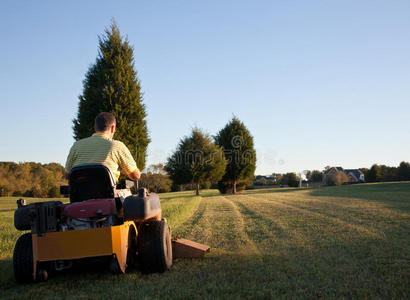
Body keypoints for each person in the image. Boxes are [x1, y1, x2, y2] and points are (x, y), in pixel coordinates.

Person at [65, 112, 141, 181]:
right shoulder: (117, 146)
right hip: (108, 195)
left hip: (80, 195)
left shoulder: (76, 146)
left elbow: (67, 175)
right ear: (113, 128)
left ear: (95, 127)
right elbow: (136, 176)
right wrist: (125, 171)